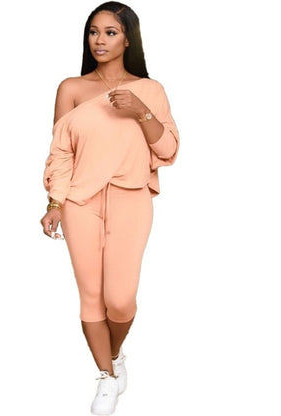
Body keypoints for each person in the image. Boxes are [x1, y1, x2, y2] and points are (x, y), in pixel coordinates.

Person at [40, 2, 179, 414]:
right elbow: (61, 152)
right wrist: (55, 202)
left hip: (131, 196)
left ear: (128, 39)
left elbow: (168, 149)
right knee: (90, 295)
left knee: (119, 300)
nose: (99, 40)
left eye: (110, 32)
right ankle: (107, 375)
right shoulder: (71, 88)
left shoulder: (150, 90)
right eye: (93, 32)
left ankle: (114, 355)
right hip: (80, 201)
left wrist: (140, 110)